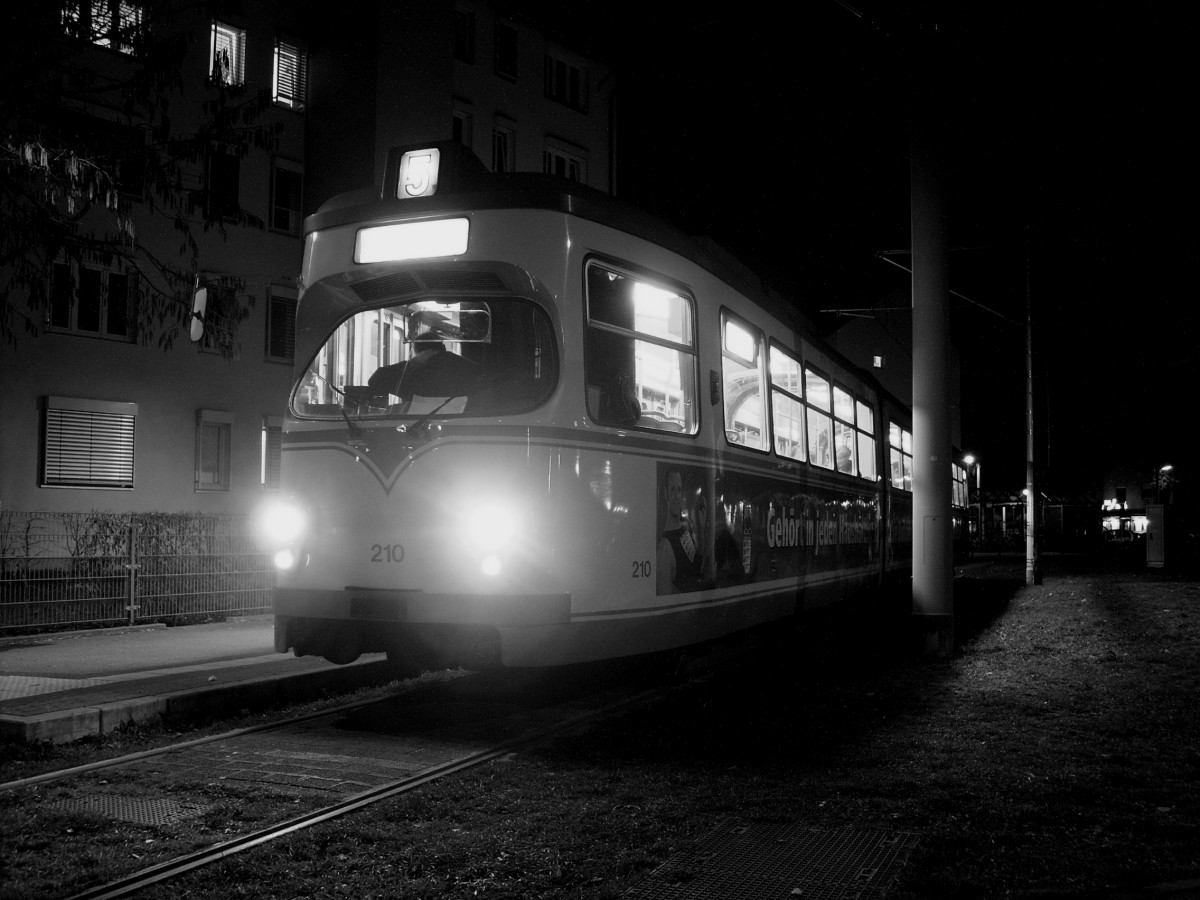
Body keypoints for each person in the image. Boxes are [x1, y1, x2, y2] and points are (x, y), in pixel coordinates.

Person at [657, 467, 707, 594]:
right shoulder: (665, 549)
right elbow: (667, 605)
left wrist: (701, 526)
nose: (676, 496)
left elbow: (699, 559)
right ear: (665, 493)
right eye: (672, 489)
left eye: (679, 490)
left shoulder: (686, 525)